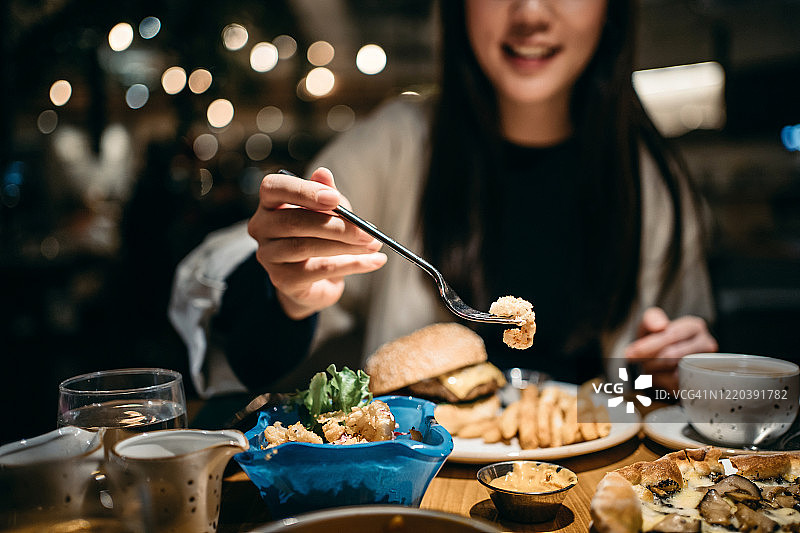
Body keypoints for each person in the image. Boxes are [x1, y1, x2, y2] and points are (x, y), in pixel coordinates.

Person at [169, 0, 718, 399]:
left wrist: (671, 376)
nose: (530, 13)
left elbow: (665, 391)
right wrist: (286, 294)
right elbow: (249, 343)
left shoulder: (652, 179)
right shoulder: (399, 143)